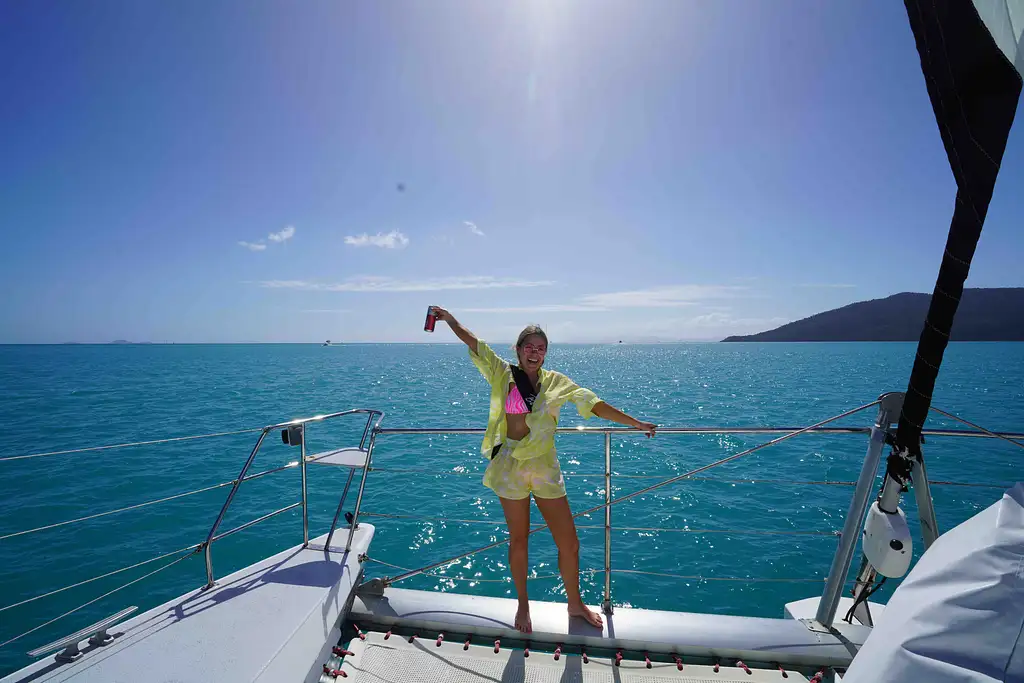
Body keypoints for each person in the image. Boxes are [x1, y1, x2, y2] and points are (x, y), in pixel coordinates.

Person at [431, 307, 657, 633]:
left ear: (545, 353)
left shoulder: (557, 383)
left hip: (545, 466)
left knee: (570, 543)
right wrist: (450, 321)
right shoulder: (501, 373)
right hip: (510, 466)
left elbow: (593, 403)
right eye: (529, 347)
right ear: (518, 349)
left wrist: (634, 422)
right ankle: (523, 604)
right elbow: (475, 343)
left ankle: (575, 603)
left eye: (540, 348)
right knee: (519, 540)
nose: (534, 353)